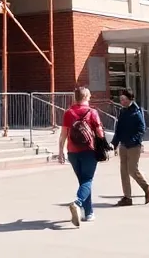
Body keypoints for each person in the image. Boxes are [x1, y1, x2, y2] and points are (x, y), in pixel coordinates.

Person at [58, 86, 106, 226]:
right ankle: (77, 203)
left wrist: (61, 152)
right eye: (89, 96)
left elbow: (63, 135)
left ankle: (89, 212)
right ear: (86, 97)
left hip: (73, 152)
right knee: (87, 180)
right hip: (89, 151)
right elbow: (100, 133)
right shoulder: (92, 112)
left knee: (83, 182)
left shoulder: (68, 113)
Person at [109, 88, 149, 206]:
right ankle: (127, 197)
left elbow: (142, 129)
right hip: (123, 145)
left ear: (130, 99)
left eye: (124, 99)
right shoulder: (122, 111)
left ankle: (147, 187)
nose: (122, 102)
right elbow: (118, 130)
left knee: (132, 170)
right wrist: (114, 143)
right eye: (121, 99)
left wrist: (134, 140)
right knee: (123, 171)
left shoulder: (137, 112)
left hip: (134, 146)